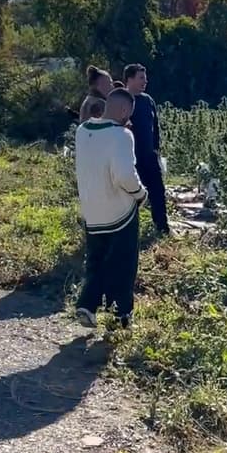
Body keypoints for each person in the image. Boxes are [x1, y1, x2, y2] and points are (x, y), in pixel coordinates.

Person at [73, 88, 147, 330]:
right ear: (124, 110)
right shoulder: (122, 135)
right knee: (123, 264)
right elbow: (125, 174)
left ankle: (87, 304)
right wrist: (140, 194)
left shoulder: (82, 131)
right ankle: (121, 315)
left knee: (96, 260)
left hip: (91, 210)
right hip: (119, 211)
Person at [124, 63, 169, 236]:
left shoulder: (148, 100)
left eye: (145, 77)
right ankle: (129, 231)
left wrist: (156, 149)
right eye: (141, 77)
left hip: (149, 155)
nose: (145, 81)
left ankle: (162, 227)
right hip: (130, 157)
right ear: (130, 79)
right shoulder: (123, 100)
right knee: (131, 195)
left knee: (158, 191)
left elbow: (155, 127)